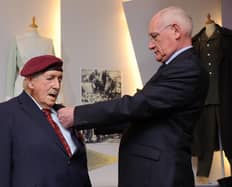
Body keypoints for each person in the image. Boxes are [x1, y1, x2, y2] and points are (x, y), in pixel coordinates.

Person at [58, 6, 209, 187]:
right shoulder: (175, 66)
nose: (150, 45)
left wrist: (77, 115)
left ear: (176, 31)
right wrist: (84, 124)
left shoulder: (187, 69)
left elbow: (137, 105)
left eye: (154, 36)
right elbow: (142, 115)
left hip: (160, 177)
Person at [0, 55, 91, 187]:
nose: (57, 85)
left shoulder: (65, 114)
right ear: (30, 82)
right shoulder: (5, 113)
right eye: (50, 78)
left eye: (60, 79)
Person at [192, 14, 232, 184]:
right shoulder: (194, 42)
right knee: (204, 143)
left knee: (231, 138)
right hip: (204, 100)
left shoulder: (228, 39)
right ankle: (202, 180)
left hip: (227, 98)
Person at [6, 17, 54, 99]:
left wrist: (56, 95)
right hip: (22, 86)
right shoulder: (17, 40)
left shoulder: (48, 42)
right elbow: (11, 71)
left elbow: (53, 71)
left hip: (43, 87)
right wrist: (9, 97)